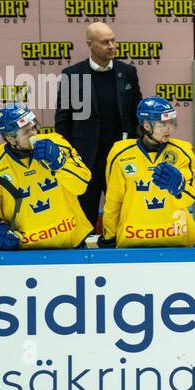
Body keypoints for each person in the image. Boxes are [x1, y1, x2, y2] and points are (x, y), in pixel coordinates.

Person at [54, 22, 143, 232]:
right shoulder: (73, 75)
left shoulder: (128, 72)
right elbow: (63, 119)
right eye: (105, 42)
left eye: (113, 40)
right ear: (90, 44)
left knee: (124, 214)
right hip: (86, 159)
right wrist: (67, 155)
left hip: (121, 158)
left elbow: (137, 114)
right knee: (84, 215)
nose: (111, 45)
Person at [0, 105, 92, 250]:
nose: (34, 133)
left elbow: (81, 186)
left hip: (72, 245)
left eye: (34, 127)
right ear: (11, 139)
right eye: (26, 132)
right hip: (25, 251)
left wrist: (60, 164)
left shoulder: (57, 143)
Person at [99, 96, 195, 248]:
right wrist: (109, 236)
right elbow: (114, 200)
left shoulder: (183, 151)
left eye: (171, 123)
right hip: (133, 239)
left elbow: (190, 197)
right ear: (146, 125)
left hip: (178, 238)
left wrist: (180, 187)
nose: (169, 129)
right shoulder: (121, 153)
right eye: (162, 124)